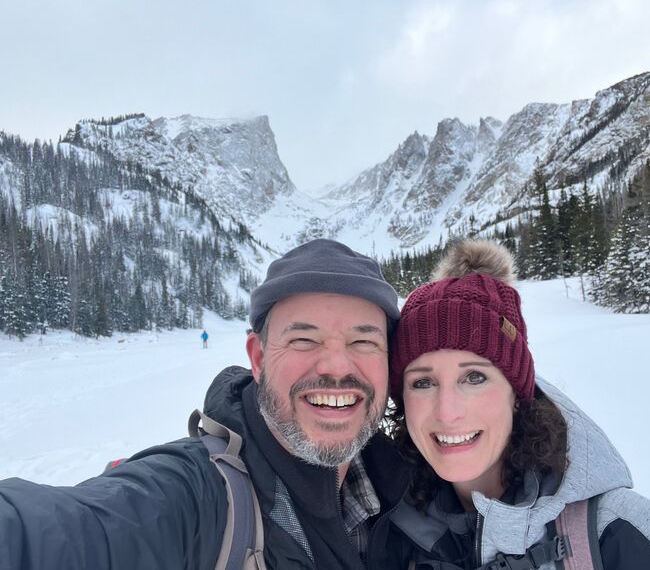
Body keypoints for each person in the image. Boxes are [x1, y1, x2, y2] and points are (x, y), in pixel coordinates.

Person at [0, 239, 410, 569]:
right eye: (304, 339)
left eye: (363, 341)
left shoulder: (417, 488)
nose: (337, 366)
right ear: (259, 358)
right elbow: (63, 533)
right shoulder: (197, 497)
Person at [381, 239, 650, 570]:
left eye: (474, 378)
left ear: (516, 393)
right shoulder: (384, 534)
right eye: (423, 382)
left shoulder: (626, 536)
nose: (447, 411)